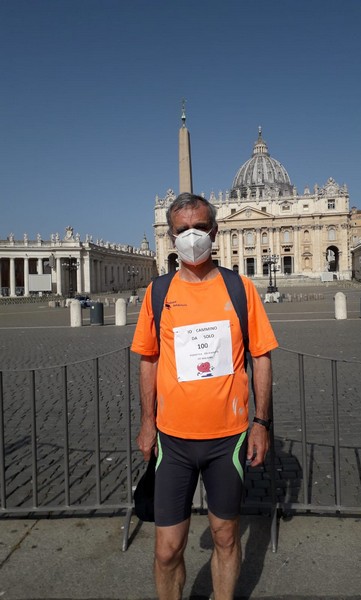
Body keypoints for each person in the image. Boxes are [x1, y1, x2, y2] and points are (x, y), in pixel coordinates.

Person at [131, 192, 278, 600]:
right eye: (182, 230)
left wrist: (261, 424)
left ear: (214, 231)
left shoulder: (239, 288)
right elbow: (147, 360)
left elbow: (261, 356)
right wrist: (147, 423)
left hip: (227, 438)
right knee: (166, 550)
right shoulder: (158, 293)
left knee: (226, 537)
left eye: (199, 228)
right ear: (170, 235)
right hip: (171, 440)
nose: (191, 236)